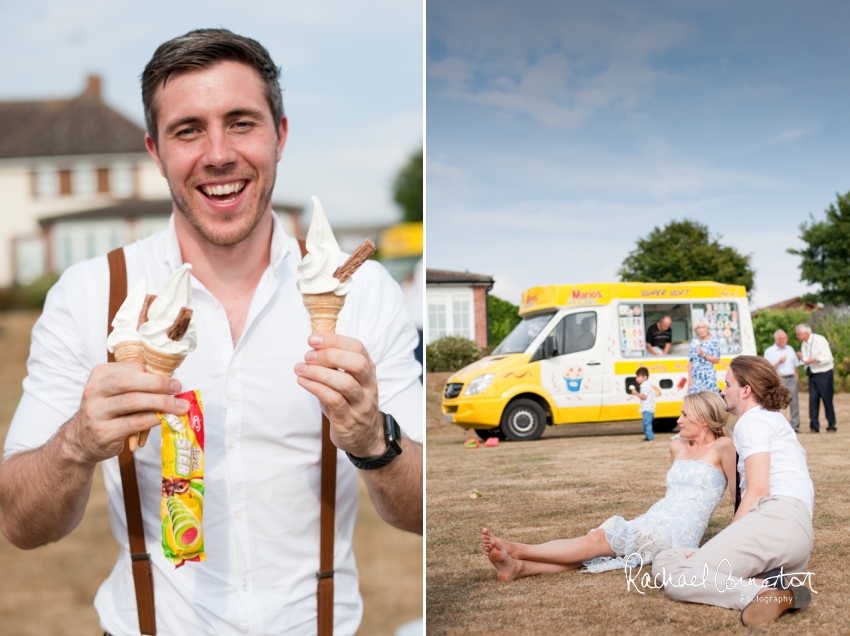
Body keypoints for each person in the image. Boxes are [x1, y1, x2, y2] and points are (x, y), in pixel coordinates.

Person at [0, 29, 423, 636]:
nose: (218, 154)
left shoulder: (363, 291)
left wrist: (373, 440)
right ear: (155, 150)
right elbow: (20, 524)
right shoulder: (91, 294)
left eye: (242, 122)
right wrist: (75, 444)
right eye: (188, 129)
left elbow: (420, 515)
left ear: (279, 135)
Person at [481, 391, 736, 580]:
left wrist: (737, 538)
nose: (678, 420)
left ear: (703, 419)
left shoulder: (724, 447)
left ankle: (516, 549)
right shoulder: (677, 446)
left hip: (678, 532)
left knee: (598, 539)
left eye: (684, 414)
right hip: (655, 517)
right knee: (604, 549)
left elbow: (739, 496)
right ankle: (519, 568)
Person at [652, 356, 814, 626]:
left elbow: (759, 489)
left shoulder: (752, 421)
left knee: (677, 577)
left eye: (727, 384)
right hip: (795, 537)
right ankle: (770, 580)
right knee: (668, 557)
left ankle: (765, 593)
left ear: (746, 390)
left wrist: (724, 537)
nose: (723, 391)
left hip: (776, 519)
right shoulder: (773, 421)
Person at [795, 323, 836, 433]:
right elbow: (805, 360)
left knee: (827, 400)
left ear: (806, 333)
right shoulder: (804, 344)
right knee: (813, 401)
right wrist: (802, 358)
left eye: (798, 334)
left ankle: (831, 426)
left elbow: (828, 358)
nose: (797, 337)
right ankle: (814, 427)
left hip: (824, 373)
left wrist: (815, 359)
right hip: (812, 374)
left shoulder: (820, 340)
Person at [764, 329, 801, 432]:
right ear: (777, 339)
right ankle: (776, 427)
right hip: (778, 380)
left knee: (794, 403)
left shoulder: (790, 349)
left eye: (786, 337)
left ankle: (795, 426)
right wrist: (779, 362)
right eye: (783, 338)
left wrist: (796, 376)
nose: (786, 340)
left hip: (791, 378)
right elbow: (768, 368)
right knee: (776, 402)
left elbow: (795, 365)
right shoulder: (769, 351)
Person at [687, 318, 721, 394]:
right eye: (698, 328)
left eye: (703, 327)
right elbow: (690, 361)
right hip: (695, 376)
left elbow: (717, 360)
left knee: (710, 401)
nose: (701, 330)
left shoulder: (714, 341)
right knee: (694, 401)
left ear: (707, 328)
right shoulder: (693, 342)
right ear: (696, 330)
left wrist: (703, 355)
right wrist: (690, 379)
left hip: (708, 376)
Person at [630, 366, 656, 441]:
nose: (637, 378)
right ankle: (648, 436)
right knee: (646, 422)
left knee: (646, 423)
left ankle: (650, 437)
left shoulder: (645, 386)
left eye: (638, 376)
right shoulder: (645, 385)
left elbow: (644, 397)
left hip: (648, 408)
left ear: (645, 377)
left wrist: (636, 393)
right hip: (648, 407)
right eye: (636, 376)